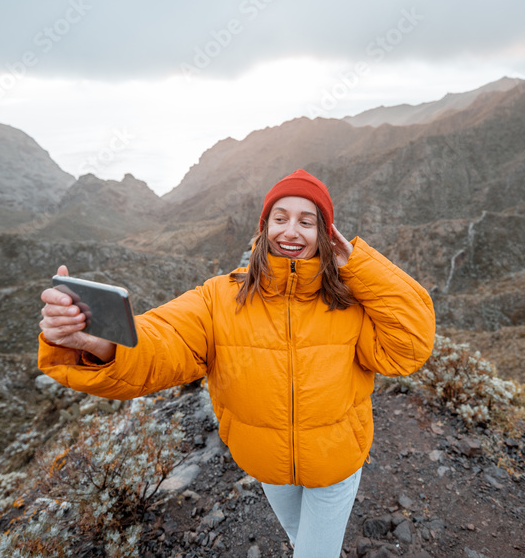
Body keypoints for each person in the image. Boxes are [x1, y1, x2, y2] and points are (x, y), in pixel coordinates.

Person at [38, 168, 436, 557]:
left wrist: (358, 264)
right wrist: (99, 344)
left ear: (326, 234)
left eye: (307, 221)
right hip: (268, 465)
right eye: (279, 218)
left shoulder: (350, 301)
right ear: (263, 228)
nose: (291, 231)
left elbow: (411, 345)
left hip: (337, 463)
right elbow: (164, 340)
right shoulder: (219, 298)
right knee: (302, 537)